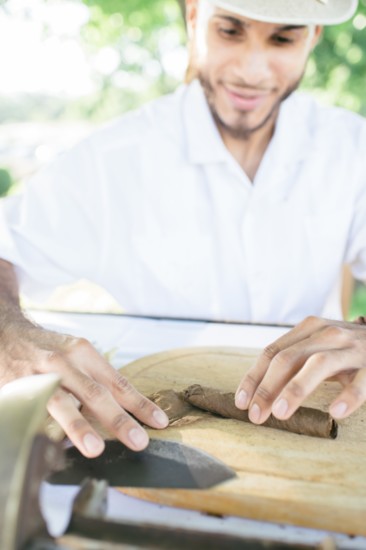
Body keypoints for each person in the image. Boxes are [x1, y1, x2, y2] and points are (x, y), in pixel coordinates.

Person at [0, 0, 365, 458]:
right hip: (152, 440)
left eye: (283, 37)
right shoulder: (112, 159)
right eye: (231, 31)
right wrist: (6, 332)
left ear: (313, 38)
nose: (252, 70)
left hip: (315, 443)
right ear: (194, 19)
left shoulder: (352, 150)